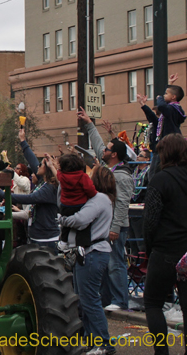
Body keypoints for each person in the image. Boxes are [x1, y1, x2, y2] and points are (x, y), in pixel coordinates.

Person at [143, 134, 187, 355]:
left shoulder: (160, 179)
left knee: (152, 303)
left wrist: (149, 249)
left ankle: (162, 353)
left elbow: (150, 220)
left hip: (166, 250)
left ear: (165, 154)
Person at [78, 107, 133, 312]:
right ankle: (108, 299)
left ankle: (120, 301)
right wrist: (89, 123)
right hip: (104, 226)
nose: (104, 151)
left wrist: (115, 228)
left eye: (108, 149)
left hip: (114, 228)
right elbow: (99, 144)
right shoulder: (108, 168)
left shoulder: (122, 176)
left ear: (115, 154)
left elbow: (122, 206)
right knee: (105, 264)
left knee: (115, 263)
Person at [61, 165, 116, 355]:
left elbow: (81, 219)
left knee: (90, 299)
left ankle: (103, 344)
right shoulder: (104, 199)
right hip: (91, 252)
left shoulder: (99, 199)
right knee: (84, 300)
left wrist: (63, 220)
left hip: (93, 253)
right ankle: (92, 342)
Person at [0, 154, 59, 251]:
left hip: (46, 239)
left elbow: (29, 198)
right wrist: (23, 142)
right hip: (36, 236)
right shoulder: (43, 184)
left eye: (41, 165)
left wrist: (2, 193)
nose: (37, 167)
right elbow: (28, 213)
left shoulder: (47, 187)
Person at [56, 153, 97, 252]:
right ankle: (82, 244)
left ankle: (64, 241)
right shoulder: (83, 177)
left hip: (65, 205)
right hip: (80, 205)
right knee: (83, 225)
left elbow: (57, 173)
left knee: (65, 224)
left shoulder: (61, 176)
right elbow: (90, 190)